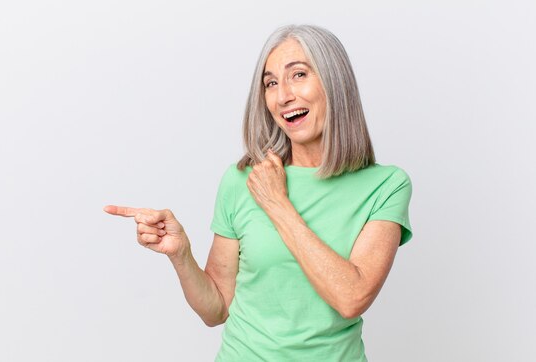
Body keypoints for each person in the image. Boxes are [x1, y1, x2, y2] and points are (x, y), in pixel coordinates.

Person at [104, 24, 412, 361]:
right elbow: (216, 309)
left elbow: (351, 297)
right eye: (271, 83)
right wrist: (181, 254)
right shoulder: (243, 180)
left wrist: (279, 205)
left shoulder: (385, 186)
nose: (283, 96)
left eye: (298, 75)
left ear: (334, 82)